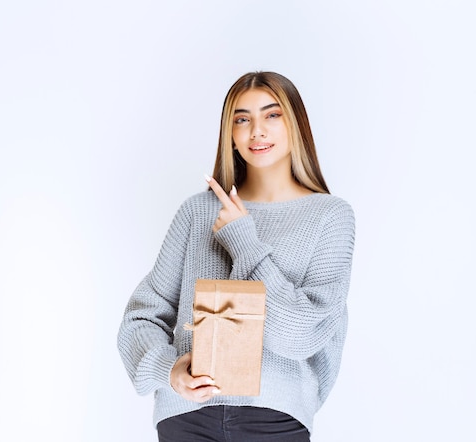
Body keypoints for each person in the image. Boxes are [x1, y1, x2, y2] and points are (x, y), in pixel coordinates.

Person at [117, 71, 355, 441]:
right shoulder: (197, 213)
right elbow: (141, 317)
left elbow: (301, 335)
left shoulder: (330, 216)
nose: (256, 131)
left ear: (297, 124)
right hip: (185, 419)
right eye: (242, 119)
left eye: (272, 115)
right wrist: (171, 370)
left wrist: (243, 239)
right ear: (230, 134)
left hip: (275, 421)